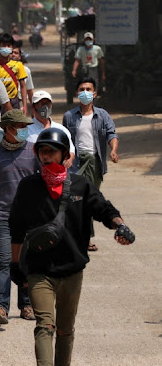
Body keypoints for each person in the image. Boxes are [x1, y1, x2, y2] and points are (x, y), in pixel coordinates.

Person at [9, 128, 134, 366]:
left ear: (65, 155)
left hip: (72, 270)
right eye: (43, 151)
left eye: (52, 151)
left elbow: (104, 209)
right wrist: (15, 264)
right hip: (40, 270)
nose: (47, 156)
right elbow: (15, 227)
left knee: (66, 330)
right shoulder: (28, 187)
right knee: (45, 324)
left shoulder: (80, 186)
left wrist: (120, 226)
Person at [0, 109, 40, 325]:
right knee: (4, 261)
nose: (25, 130)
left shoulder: (34, 152)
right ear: (8, 128)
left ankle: (26, 305)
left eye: (26, 126)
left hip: (29, 217)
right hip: (3, 216)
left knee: (25, 261)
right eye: (21, 127)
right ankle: (1, 307)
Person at [62, 78, 119, 251]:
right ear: (77, 93)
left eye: (88, 89)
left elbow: (111, 134)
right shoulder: (69, 116)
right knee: (78, 199)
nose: (85, 92)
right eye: (82, 89)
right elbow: (66, 140)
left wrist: (114, 150)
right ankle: (85, 238)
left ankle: (83, 237)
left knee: (89, 199)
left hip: (95, 162)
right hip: (76, 162)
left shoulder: (102, 115)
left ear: (94, 93)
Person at [26, 90, 75, 167]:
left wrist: (69, 160)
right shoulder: (26, 129)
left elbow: (71, 150)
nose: (45, 107)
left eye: (47, 104)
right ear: (33, 107)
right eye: (42, 104)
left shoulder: (61, 129)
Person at [0, 33, 29, 113]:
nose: (6, 48)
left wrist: (25, 105)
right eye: (3, 45)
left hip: (14, 101)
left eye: (9, 45)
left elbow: (23, 86)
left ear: (12, 47)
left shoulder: (18, 65)